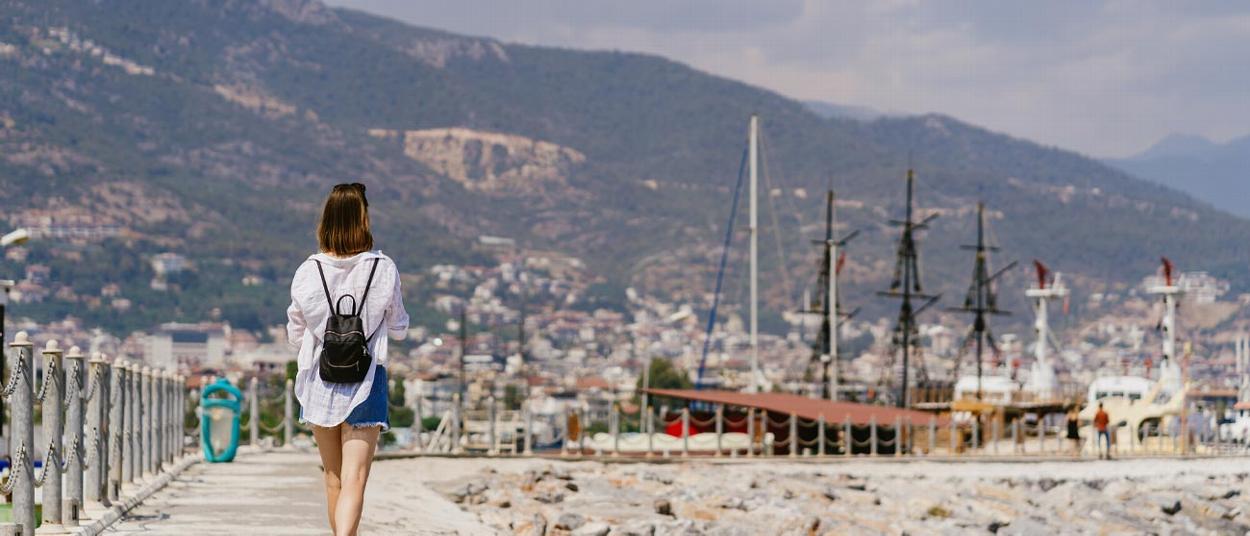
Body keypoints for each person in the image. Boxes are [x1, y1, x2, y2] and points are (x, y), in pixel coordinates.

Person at [287, 183, 409, 536]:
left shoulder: (308, 271)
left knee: (333, 477)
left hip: (319, 381)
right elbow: (398, 327)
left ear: (326, 221)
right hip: (367, 378)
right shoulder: (383, 268)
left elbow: (296, 332)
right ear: (363, 219)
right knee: (356, 478)